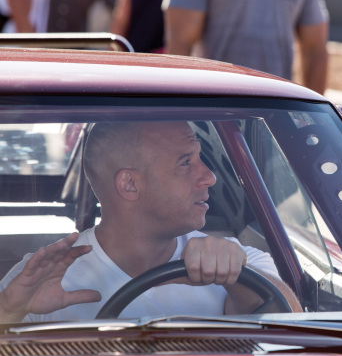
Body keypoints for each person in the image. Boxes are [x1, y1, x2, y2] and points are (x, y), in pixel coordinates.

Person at [0, 121, 300, 322]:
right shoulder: (39, 277)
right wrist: (9, 311)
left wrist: (237, 276)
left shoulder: (237, 260)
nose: (209, 176)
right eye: (185, 162)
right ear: (129, 184)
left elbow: (299, 339)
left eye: (199, 157)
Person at [162, 0, 329, 95]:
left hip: (277, 109)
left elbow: (315, 49)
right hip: (213, 106)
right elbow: (180, 46)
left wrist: (314, 117)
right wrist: (182, 115)